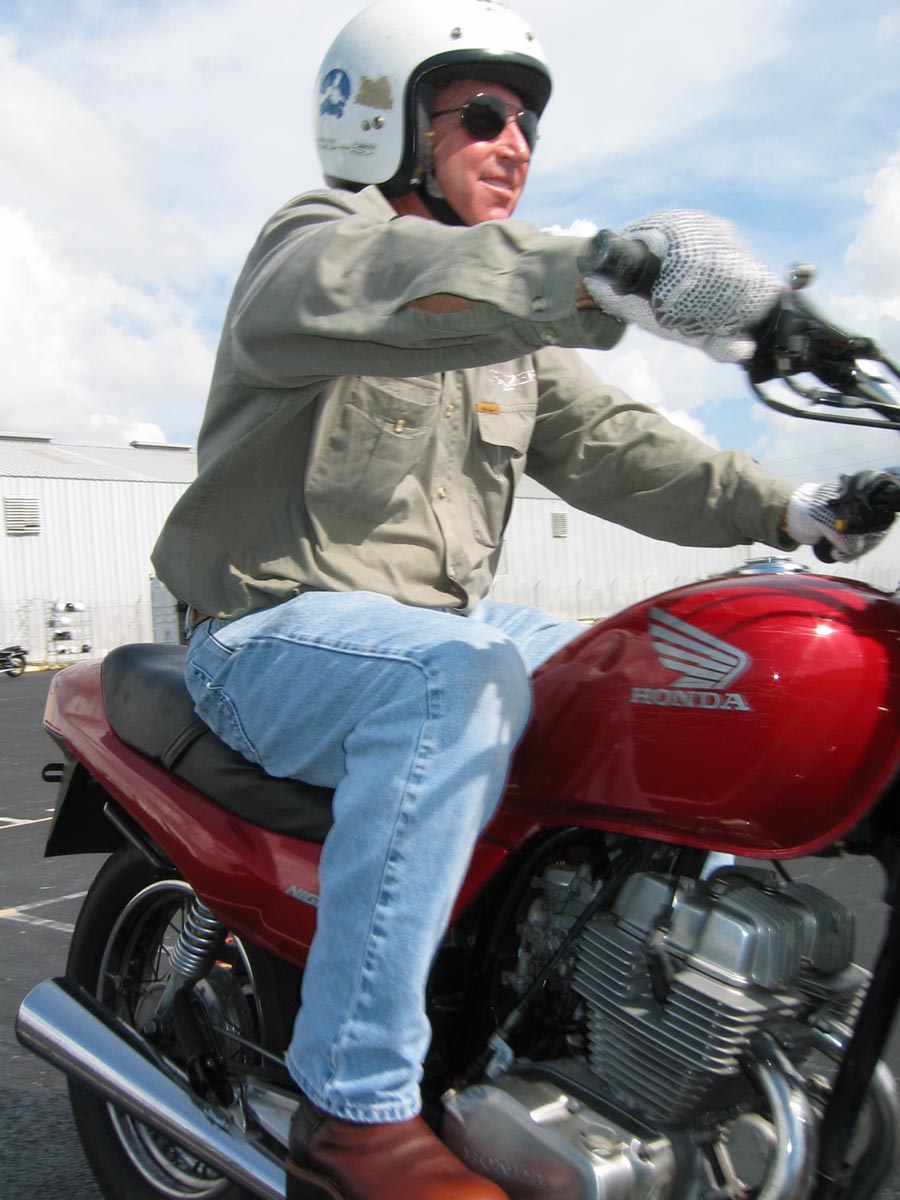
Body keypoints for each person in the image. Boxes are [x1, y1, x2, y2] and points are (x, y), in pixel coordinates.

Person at [151, 2, 889, 1197]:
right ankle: (352, 1104)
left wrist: (795, 508)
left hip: (435, 629)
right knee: (456, 680)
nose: (515, 145)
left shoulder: (512, 336)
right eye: (484, 115)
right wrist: (600, 266)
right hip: (271, 629)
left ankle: (625, 1025)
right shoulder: (316, 251)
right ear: (388, 122)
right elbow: (398, 281)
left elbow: (621, 446)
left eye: (530, 126)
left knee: (674, 675)